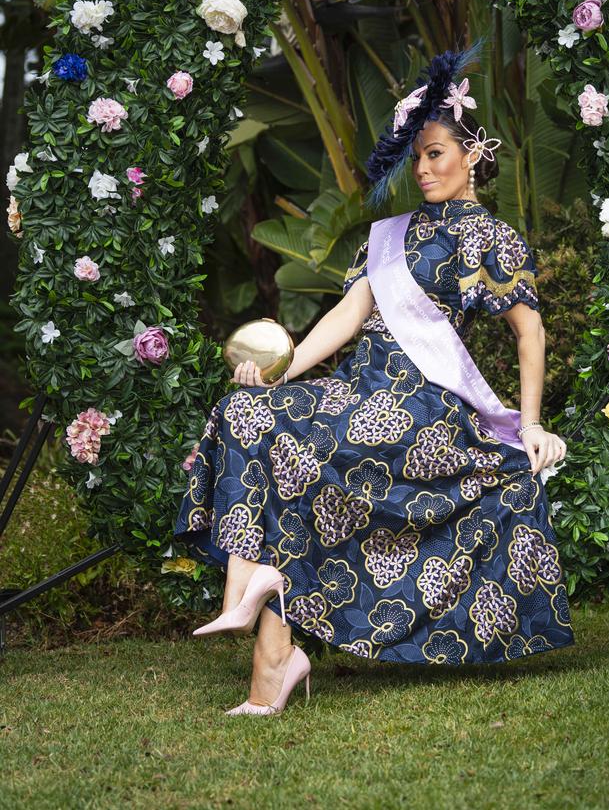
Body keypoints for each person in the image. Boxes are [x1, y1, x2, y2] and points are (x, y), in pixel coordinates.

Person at [173, 47, 575, 716]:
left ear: (472, 154)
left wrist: (530, 423)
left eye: (437, 154)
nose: (422, 169)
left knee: (301, 452)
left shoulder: (491, 238)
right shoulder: (386, 236)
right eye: (416, 157)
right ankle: (250, 588)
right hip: (359, 390)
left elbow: (529, 332)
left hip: (426, 407)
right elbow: (345, 317)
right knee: (246, 411)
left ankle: (273, 661)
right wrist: (275, 375)